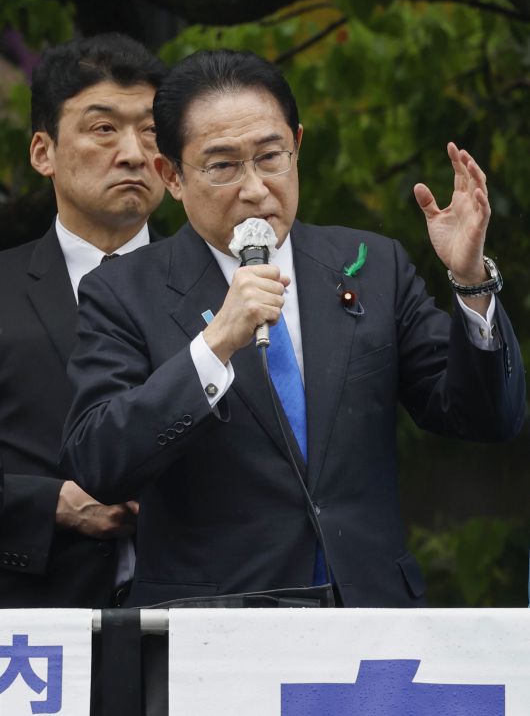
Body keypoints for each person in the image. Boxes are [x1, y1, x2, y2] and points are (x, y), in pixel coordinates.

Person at [61, 49, 525, 608]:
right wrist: (214, 347)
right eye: (223, 166)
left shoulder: (370, 264)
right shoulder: (124, 290)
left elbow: (486, 417)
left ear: (297, 146)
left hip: (369, 613)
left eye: (270, 157)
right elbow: (98, 463)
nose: (255, 189)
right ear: (172, 176)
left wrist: (472, 281)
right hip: (215, 625)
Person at [0, 33, 167, 607]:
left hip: (197, 626)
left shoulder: (225, 292)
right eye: (103, 128)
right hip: (32, 624)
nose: (134, 154)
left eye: (151, 131)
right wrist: (48, 504)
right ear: (42, 152)